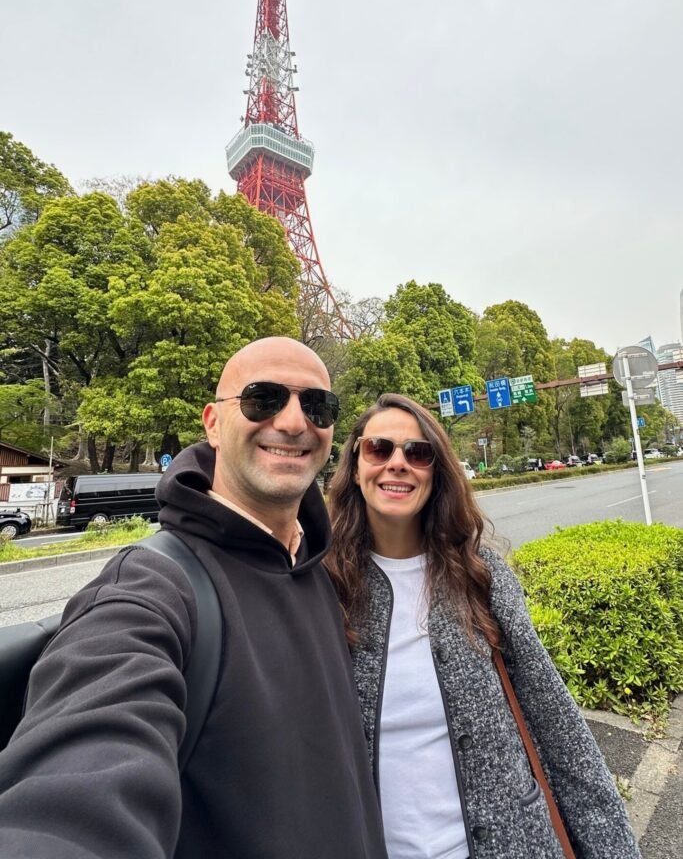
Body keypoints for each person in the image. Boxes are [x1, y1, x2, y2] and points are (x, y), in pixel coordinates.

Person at [0, 337, 388, 859]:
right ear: (213, 423)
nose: (295, 422)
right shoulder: (153, 588)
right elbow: (74, 791)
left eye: (317, 405)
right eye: (263, 398)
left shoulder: (315, 566)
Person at [326, 392, 641, 859]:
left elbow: (555, 723)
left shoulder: (479, 576)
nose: (397, 464)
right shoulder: (324, 586)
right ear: (355, 466)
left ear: (437, 473)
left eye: (418, 453)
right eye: (379, 448)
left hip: (512, 843)